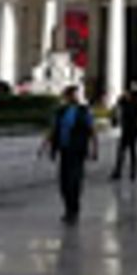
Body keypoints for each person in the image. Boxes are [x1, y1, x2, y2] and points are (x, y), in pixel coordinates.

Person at [40, 84, 98, 223]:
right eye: (71, 95)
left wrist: (95, 149)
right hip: (64, 150)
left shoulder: (84, 111)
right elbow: (54, 129)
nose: (73, 97)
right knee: (64, 182)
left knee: (74, 180)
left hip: (78, 150)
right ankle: (68, 208)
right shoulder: (61, 111)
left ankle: (73, 209)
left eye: (75, 95)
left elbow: (92, 131)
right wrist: (45, 145)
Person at [109, 83, 137, 181]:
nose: (126, 94)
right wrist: (120, 99)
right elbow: (117, 105)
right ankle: (118, 171)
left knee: (131, 152)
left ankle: (132, 172)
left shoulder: (136, 103)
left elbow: (132, 114)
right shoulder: (125, 102)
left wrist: (124, 101)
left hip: (132, 131)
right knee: (122, 151)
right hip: (126, 131)